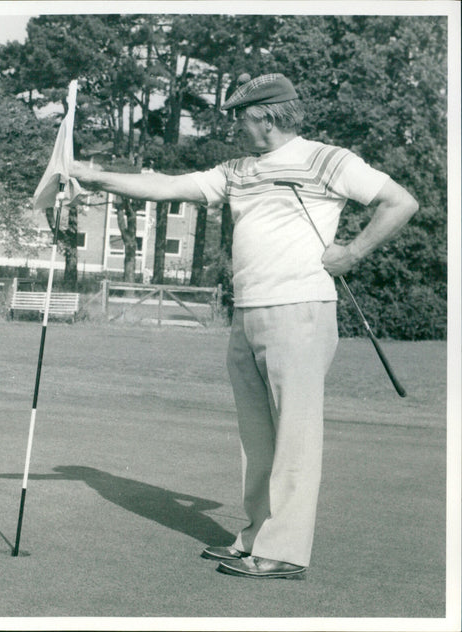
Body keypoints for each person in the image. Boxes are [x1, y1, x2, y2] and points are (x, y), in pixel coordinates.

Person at [69, 73, 419, 579]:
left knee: (294, 435)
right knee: (258, 438)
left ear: (268, 118)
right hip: (248, 311)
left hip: (299, 309)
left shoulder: (329, 159)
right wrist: (93, 175)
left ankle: (285, 552)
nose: (235, 126)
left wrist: (352, 251)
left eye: (241, 117)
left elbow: (401, 202)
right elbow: (168, 187)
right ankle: (255, 535)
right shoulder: (238, 169)